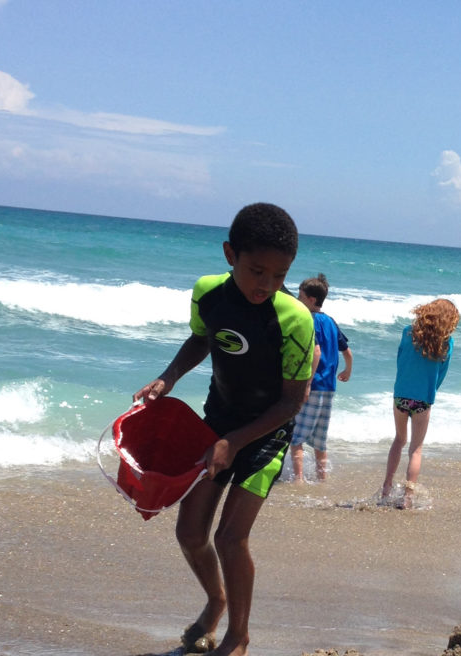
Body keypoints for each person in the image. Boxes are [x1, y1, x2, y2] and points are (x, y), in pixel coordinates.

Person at [132, 202, 315, 656]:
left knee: (230, 537)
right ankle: (215, 601)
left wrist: (234, 442)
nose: (266, 285)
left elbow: (293, 401)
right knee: (190, 534)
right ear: (230, 254)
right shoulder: (207, 293)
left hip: (267, 435)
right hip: (217, 421)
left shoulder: (295, 319)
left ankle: (238, 636)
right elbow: (201, 337)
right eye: (257, 271)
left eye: (279, 275)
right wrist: (168, 377)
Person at [380, 298, 459, 509]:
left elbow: (400, 359)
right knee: (416, 448)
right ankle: (407, 498)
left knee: (399, 440)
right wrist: (430, 393)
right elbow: (442, 373)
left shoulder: (407, 331)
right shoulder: (446, 341)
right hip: (423, 399)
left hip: (401, 395)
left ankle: (386, 487)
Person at [290, 273, 353, 483]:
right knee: (320, 441)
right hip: (328, 388)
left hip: (314, 385)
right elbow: (347, 351)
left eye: (300, 296)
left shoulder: (309, 319)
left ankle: (298, 480)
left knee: (296, 438)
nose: (298, 300)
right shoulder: (330, 322)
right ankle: (322, 478)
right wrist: (347, 371)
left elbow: (316, 352)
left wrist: (306, 383)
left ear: (311, 300)